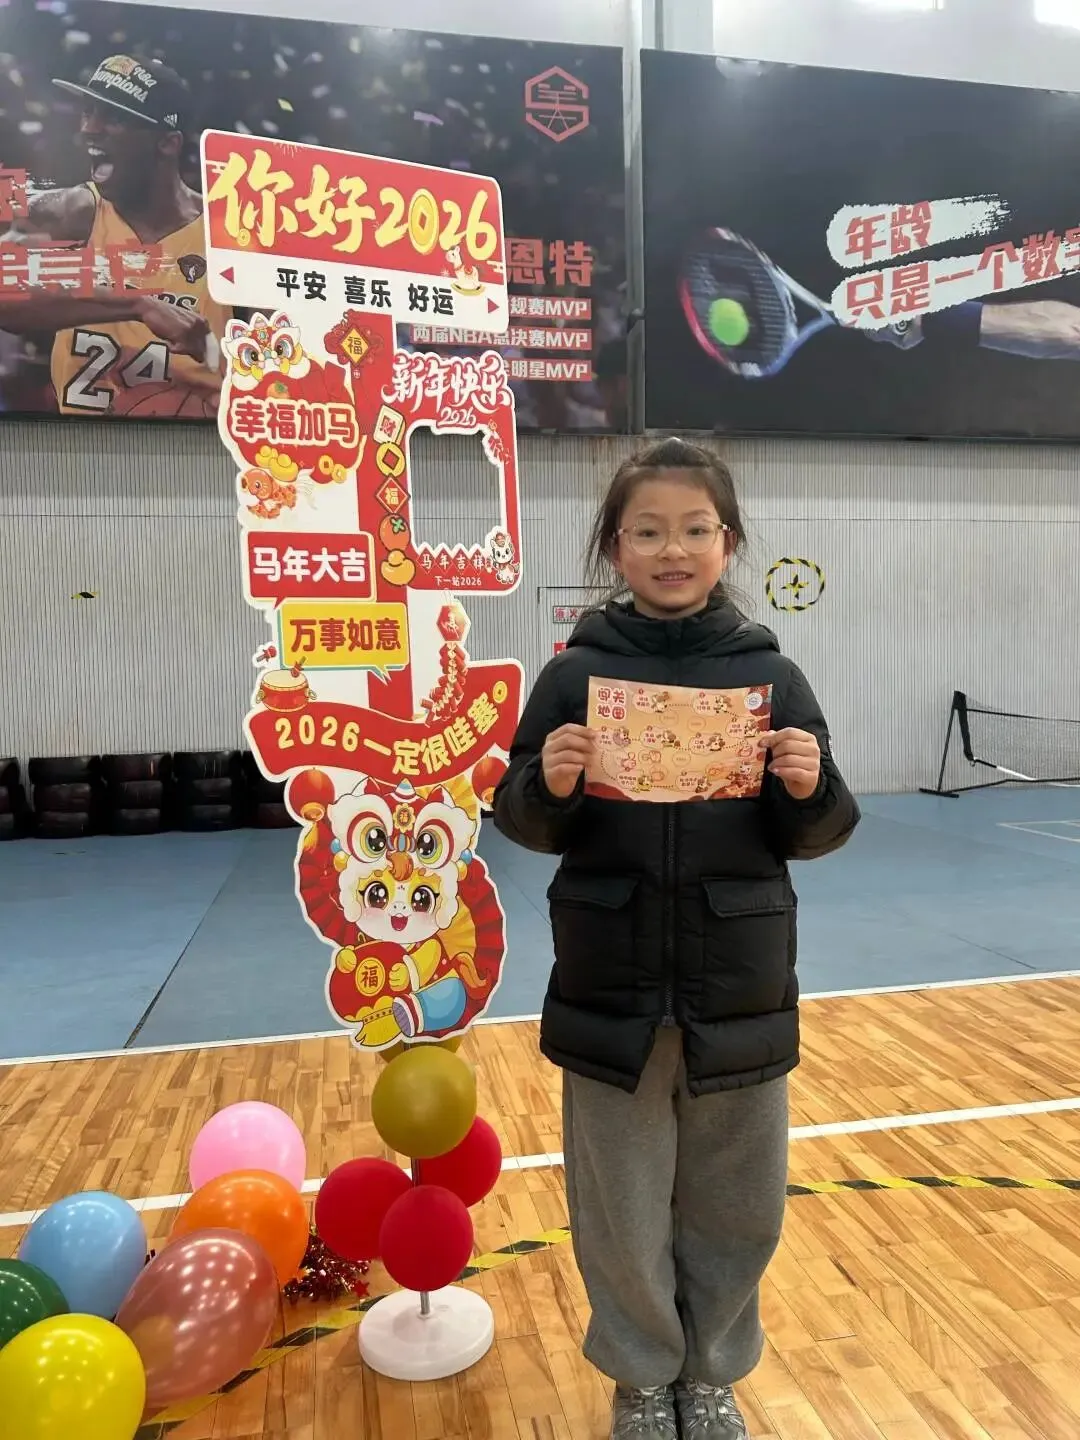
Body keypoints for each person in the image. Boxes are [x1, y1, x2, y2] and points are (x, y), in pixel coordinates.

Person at [492, 437, 859, 1440]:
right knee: (619, 1205)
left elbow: (824, 828)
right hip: (609, 982)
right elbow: (521, 818)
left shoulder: (772, 675)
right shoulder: (574, 676)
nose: (673, 549)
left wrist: (807, 785)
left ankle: (712, 1372)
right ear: (614, 546)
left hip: (738, 982)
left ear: (727, 542)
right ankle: (643, 1375)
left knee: (739, 1204)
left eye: (695, 529)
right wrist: (548, 781)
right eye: (648, 531)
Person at [0, 53, 228, 416]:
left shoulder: (230, 232)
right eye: (89, 112)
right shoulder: (72, 213)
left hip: (194, 445)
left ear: (168, 143)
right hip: (82, 445)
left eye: (115, 118)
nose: (90, 128)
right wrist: (137, 304)